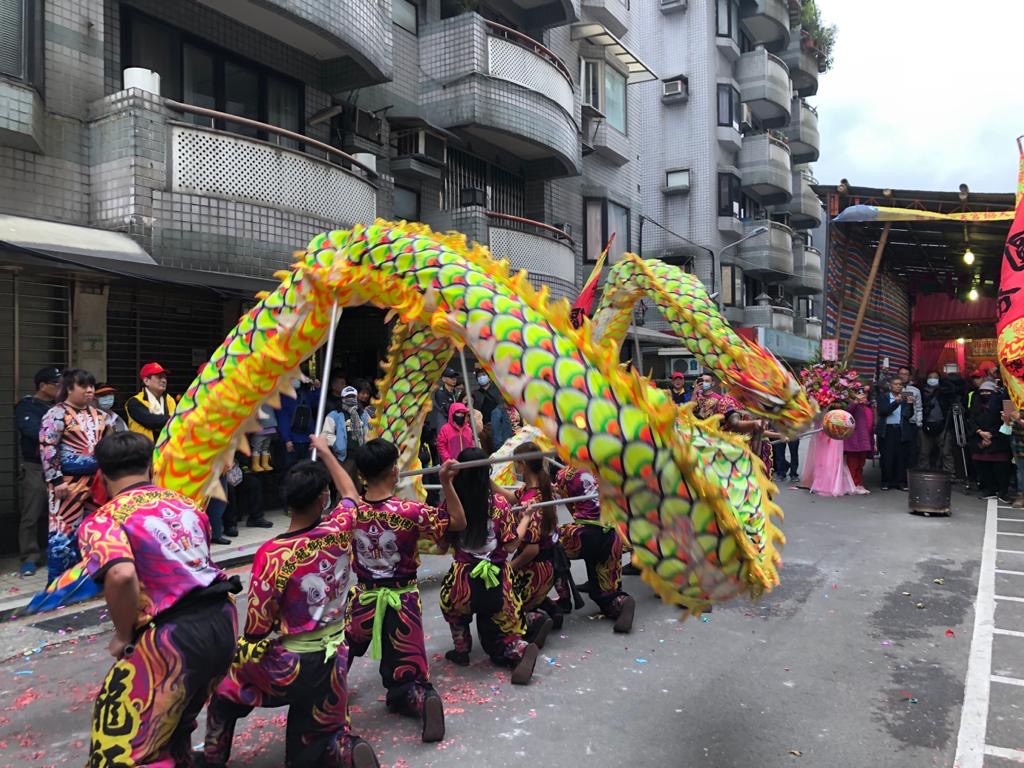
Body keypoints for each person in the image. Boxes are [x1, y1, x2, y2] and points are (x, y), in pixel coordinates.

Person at [202, 439, 379, 768]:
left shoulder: (273, 554)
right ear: (323, 498)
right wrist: (326, 452)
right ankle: (340, 749)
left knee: (225, 687)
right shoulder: (339, 529)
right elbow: (352, 496)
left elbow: (257, 627)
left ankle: (213, 756)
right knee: (307, 749)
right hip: (336, 657)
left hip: (293, 663)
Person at [80, 431, 240, 767]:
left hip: (171, 638)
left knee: (129, 750)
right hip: (222, 620)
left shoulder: (104, 519)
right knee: (177, 722)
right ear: (151, 466)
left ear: (102, 475)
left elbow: (121, 575)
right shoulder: (184, 503)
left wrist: (123, 635)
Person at [345, 438, 465, 742]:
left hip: (364, 599)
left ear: (362, 474)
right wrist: (446, 483)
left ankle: (326, 702)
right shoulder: (410, 511)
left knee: (342, 651)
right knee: (410, 669)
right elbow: (458, 522)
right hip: (405, 601)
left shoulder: (348, 514)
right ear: (394, 471)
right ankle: (422, 700)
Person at [438, 447, 540, 684]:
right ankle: (517, 649)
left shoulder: (450, 505)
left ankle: (461, 649)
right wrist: (525, 517)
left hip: (463, 582)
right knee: (502, 627)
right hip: (497, 579)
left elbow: (442, 545)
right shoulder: (500, 504)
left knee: (451, 606)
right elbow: (511, 546)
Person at [39, 368, 109, 582]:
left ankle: (90, 579)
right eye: (84, 386)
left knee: (95, 531)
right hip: (66, 484)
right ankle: (59, 585)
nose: (90, 391)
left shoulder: (101, 415)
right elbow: (47, 446)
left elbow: (108, 446)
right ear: (69, 388)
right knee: (64, 534)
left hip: (97, 483)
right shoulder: (56, 413)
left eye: (91, 386)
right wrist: (56, 479)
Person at [554, 466, 635, 633]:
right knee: (605, 594)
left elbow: (573, 509)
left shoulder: (565, 474)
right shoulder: (602, 468)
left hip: (584, 533)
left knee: (551, 544)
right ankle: (620, 602)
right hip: (611, 533)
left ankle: (564, 600)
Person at [494, 443, 558, 647]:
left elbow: (531, 549)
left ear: (523, 465)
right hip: (546, 564)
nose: (513, 466)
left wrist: (507, 569)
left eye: (515, 463)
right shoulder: (536, 489)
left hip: (536, 568)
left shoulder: (532, 502)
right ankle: (545, 605)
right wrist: (487, 481)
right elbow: (513, 497)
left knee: (504, 605)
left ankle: (535, 620)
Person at [14, 366, 61, 576]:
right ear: (43, 386)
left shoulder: (59, 407)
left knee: (59, 512)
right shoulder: (27, 406)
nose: (60, 388)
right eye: (56, 384)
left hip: (58, 465)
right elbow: (32, 431)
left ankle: (57, 552)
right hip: (35, 465)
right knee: (32, 512)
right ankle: (29, 557)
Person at [968, 381, 1013, 502]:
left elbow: (1008, 420)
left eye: (988, 391)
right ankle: (989, 490)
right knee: (983, 467)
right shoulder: (975, 401)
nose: (985, 393)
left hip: (999, 438)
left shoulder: (1005, 400)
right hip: (979, 438)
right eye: (982, 391)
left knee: (1001, 468)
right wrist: (980, 433)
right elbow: (971, 419)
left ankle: (1003, 492)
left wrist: (991, 435)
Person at [323, 385, 371, 481]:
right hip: (344, 458)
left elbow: (370, 432)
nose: (350, 399)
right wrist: (338, 444)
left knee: (360, 488)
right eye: (347, 397)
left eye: (353, 396)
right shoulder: (334, 415)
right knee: (344, 489)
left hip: (361, 457)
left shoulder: (364, 414)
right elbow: (325, 435)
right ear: (342, 398)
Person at [876, 379, 914, 491]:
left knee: (901, 457)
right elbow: (883, 412)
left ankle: (900, 482)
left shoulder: (905, 397)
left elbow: (908, 415)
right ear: (890, 386)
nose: (898, 386)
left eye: (900, 384)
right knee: (887, 457)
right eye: (896, 384)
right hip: (887, 430)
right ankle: (886, 481)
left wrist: (910, 405)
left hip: (900, 430)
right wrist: (895, 402)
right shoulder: (884, 397)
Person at [277, 374, 320, 469]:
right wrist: (287, 439)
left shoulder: (304, 394)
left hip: (307, 440)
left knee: (307, 470)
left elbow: (318, 404)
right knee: (291, 470)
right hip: (292, 441)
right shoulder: (283, 398)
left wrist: (317, 388)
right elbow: (283, 419)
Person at [125, 362, 176, 442]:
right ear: (146, 381)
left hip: (167, 449)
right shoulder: (134, 402)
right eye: (159, 377)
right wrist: (176, 418)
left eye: (165, 377)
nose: (164, 380)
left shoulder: (170, 400)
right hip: (142, 450)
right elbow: (152, 421)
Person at [919, 370, 956, 473]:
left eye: (935, 378)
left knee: (946, 452)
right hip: (925, 424)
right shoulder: (921, 392)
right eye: (930, 377)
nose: (933, 380)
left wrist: (944, 385)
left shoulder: (944, 392)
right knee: (924, 452)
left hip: (942, 424)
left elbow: (953, 391)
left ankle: (949, 474)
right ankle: (924, 473)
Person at [843, 390, 874, 494]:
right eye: (860, 395)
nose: (863, 397)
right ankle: (852, 485)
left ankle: (859, 484)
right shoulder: (853, 406)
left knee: (861, 464)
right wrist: (855, 402)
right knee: (853, 464)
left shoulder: (868, 408)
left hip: (865, 439)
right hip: (854, 440)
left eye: (864, 395)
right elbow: (847, 413)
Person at [897, 367, 923, 468]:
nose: (903, 376)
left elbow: (919, 408)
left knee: (911, 451)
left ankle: (909, 475)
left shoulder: (915, 390)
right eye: (901, 374)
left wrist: (919, 423)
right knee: (898, 451)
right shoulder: (893, 387)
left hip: (911, 424)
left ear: (910, 376)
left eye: (905, 374)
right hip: (897, 424)